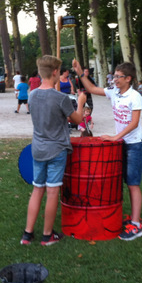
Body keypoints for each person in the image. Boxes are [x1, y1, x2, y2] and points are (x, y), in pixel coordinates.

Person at [73, 59, 142, 241]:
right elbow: (91, 89)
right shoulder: (114, 93)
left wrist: (116, 137)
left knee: (133, 183)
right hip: (121, 143)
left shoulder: (134, 96)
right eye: (114, 76)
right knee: (122, 181)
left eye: (118, 77)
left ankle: (136, 225)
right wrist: (80, 72)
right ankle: (129, 217)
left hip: (135, 144)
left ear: (128, 78)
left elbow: (134, 123)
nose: (114, 80)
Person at [20, 55, 86, 246]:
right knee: (52, 192)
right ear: (56, 72)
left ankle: (27, 234)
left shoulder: (32, 95)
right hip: (56, 150)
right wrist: (80, 101)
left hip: (38, 149)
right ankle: (48, 236)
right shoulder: (61, 98)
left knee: (37, 190)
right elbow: (77, 120)